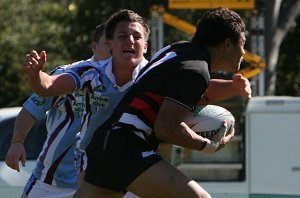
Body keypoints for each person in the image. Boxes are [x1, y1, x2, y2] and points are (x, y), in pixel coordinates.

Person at [22, 8, 251, 197]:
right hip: (128, 149)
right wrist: (205, 145)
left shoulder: (179, 51)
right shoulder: (195, 70)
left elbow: (187, 95)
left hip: (105, 146)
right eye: (243, 43)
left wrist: (231, 88)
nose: (244, 52)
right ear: (228, 44)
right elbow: (167, 128)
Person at [5, 23, 111, 198]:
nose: (113, 47)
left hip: (98, 180)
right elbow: (31, 109)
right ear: (94, 46)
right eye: (108, 42)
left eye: (117, 41)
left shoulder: (127, 81)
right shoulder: (69, 75)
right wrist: (17, 142)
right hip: (52, 180)